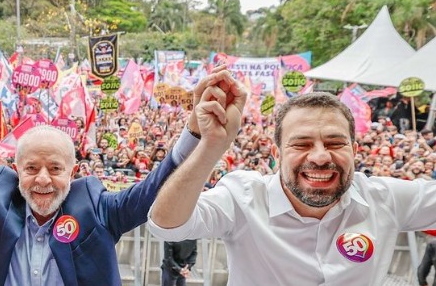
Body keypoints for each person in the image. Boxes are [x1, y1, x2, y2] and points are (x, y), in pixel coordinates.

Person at [0, 56, 225, 285]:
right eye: (31, 168)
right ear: (16, 169)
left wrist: (194, 130)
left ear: (73, 172)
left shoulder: (100, 209)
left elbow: (154, 188)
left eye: (55, 168)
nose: (42, 179)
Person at [149, 89, 436, 285]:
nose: (321, 156)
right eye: (302, 144)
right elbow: (166, 224)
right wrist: (211, 147)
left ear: (354, 150)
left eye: (336, 143)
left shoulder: (385, 198)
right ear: (277, 155)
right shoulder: (243, 196)